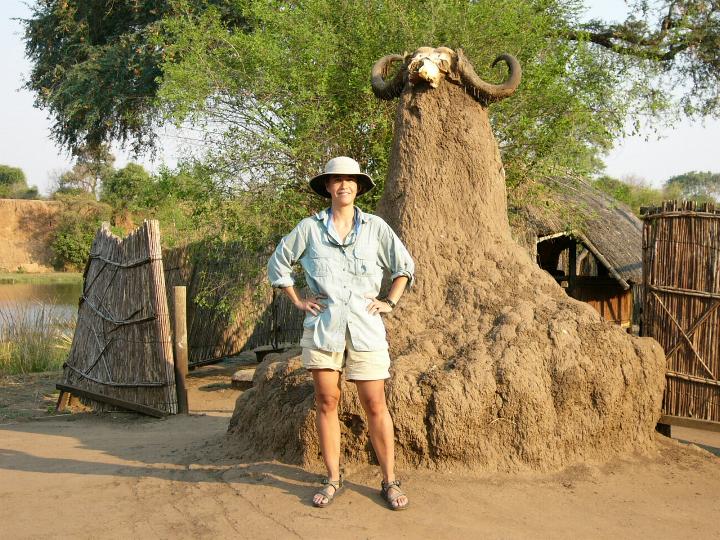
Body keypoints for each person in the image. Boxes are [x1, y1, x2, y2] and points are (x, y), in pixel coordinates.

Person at [267, 156, 415, 510]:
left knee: (375, 403)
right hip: (324, 328)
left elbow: (404, 267)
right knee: (326, 401)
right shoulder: (309, 228)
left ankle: (389, 480)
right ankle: (333, 478)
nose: (344, 184)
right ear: (328, 187)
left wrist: (389, 301)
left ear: (358, 186)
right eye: (337, 179)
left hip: (366, 328)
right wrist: (298, 300)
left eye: (350, 179)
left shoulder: (376, 227)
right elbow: (278, 263)